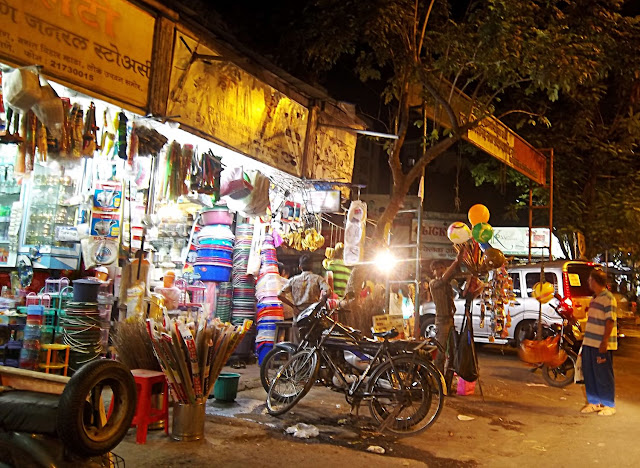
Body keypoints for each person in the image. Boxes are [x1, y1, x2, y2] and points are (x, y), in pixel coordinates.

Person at [581, 269, 618, 416]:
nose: (588, 282)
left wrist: (604, 342)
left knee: (603, 374)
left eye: (590, 280)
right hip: (590, 342)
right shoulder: (594, 298)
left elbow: (610, 321)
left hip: (601, 343)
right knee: (590, 373)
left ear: (594, 281)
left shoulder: (608, 298)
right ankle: (594, 402)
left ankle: (609, 404)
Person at [429, 250, 462, 373]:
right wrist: (456, 261)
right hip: (442, 321)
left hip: (449, 319)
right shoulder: (433, 283)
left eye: (442, 267)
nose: (440, 270)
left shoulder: (447, 284)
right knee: (440, 353)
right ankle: (437, 379)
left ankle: (445, 380)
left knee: (451, 351)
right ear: (433, 272)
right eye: (436, 269)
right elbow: (444, 279)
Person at [278, 254, 330, 319]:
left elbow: (279, 295)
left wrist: (293, 306)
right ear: (312, 266)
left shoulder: (293, 280)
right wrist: (320, 303)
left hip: (298, 316)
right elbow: (328, 291)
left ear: (300, 267)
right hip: (313, 316)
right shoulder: (318, 279)